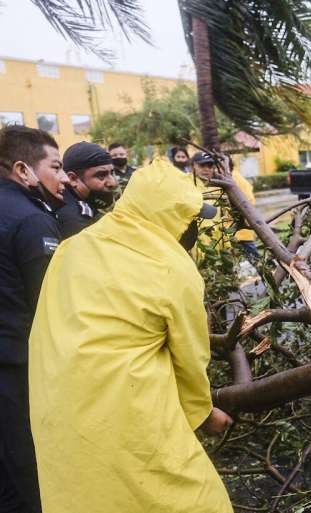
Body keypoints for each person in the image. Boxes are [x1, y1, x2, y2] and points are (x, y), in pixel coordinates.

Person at [28, 159, 234, 513]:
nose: (194, 228)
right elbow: (190, 358)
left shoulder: (75, 246)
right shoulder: (171, 265)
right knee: (191, 498)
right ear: (170, 217)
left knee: (85, 493)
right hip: (126, 405)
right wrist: (202, 413)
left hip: (57, 405)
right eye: (191, 219)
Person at [0, 125, 67, 513]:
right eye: (55, 167)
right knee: (28, 477)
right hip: (17, 372)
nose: (62, 178)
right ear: (24, 170)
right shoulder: (32, 220)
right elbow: (50, 306)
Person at [58, 141, 118, 238]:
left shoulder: (81, 202)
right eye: (101, 175)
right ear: (73, 179)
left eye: (111, 173)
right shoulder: (74, 219)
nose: (112, 183)